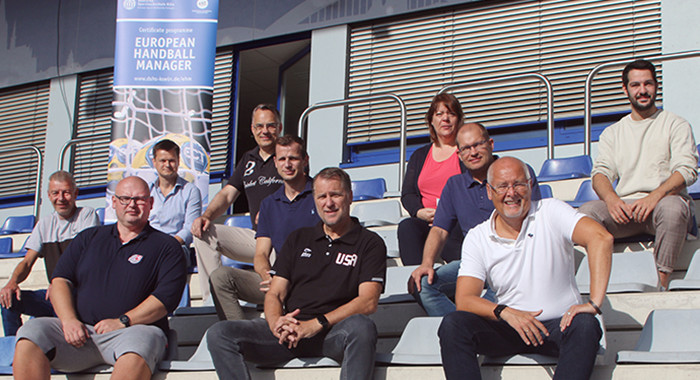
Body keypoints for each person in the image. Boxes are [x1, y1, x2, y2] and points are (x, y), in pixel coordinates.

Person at [438, 157, 613, 380]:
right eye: (502, 186)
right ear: (490, 192)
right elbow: (465, 299)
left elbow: (601, 238)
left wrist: (594, 303)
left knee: (586, 325)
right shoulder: (477, 236)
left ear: (530, 186)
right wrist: (505, 312)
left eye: (518, 184)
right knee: (453, 325)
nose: (511, 193)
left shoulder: (550, 210)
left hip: (560, 325)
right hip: (509, 327)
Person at [206, 167, 386, 380]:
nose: (329, 203)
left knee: (362, 328)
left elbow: (368, 301)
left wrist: (314, 325)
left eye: (335, 195)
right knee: (220, 333)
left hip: (332, 332)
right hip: (289, 334)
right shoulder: (298, 239)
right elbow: (275, 293)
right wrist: (276, 324)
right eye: (322, 196)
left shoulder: (370, 243)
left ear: (349, 197)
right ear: (315, 200)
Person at [12, 176, 187, 379]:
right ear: (114, 202)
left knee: (142, 341)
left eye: (139, 199)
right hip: (80, 335)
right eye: (124, 198)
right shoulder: (88, 238)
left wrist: (123, 321)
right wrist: (68, 321)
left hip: (134, 331)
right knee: (31, 332)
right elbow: (60, 280)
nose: (132, 204)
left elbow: (165, 299)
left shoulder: (167, 247)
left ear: (150, 203)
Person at [578, 59, 698, 289]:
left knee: (672, 208)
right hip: (627, 209)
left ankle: (660, 282)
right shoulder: (613, 132)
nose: (642, 90)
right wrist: (612, 200)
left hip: (663, 204)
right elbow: (600, 174)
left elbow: (687, 170)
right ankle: (600, 279)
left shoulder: (675, 124)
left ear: (656, 86)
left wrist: (655, 196)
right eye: (635, 85)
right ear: (626, 89)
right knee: (586, 213)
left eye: (648, 84)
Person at [408, 123, 541, 316]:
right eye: (466, 148)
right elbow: (439, 229)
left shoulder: (516, 172)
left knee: (481, 309)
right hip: (474, 263)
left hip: (513, 261)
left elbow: (536, 219)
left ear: (491, 144)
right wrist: (427, 263)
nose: (473, 152)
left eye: (478, 145)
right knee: (422, 284)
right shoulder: (454, 185)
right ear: (459, 155)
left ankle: (471, 327)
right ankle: (460, 327)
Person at [209, 135, 320, 320]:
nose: (287, 164)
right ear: (275, 162)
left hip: (311, 281)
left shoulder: (320, 196)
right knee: (221, 278)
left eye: (293, 158)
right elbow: (260, 254)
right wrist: (268, 275)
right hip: (278, 281)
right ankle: (240, 338)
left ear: (305, 161)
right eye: (282, 159)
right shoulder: (269, 204)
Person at [192, 104, 284, 301]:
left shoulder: (287, 156)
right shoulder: (248, 159)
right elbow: (227, 195)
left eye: (270, 126)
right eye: (259, 126)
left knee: (281, 249)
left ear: (280, 128)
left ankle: (277, 300)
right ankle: (214, 301)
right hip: (255, 238)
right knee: (203, 232)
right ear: (252, 129)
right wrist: (206, 216)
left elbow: (299, 191)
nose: (264, 131)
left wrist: (273, 210)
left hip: (281, 238)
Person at [0, 171, 99, 336]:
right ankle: (15, 349)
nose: (60, 198)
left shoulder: (86, 215)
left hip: (78, 293)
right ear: (48, 195)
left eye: (66, 192)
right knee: (8, 300)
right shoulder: (45, 223)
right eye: (55, 193)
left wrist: (60, 282)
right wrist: (12, 282)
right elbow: (27, 262)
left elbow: (85, 258)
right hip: (52, 294)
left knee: (60, 302)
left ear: (75, 194)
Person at [399, 93, 466, 265]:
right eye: (439, 114)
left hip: (456, 220)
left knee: (452, 234)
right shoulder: (420, 155)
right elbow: (408, 193)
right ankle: (418, 284)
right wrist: (419, 211)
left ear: (458, 119)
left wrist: (448, 215)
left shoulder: (466, 153)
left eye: (451, 113)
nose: (445, 119)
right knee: (407, 227)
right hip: (427, 220)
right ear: (431, 121)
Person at [148, 139, 202, 250]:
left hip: (176, 248)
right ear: (154, 162)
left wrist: (168, 246)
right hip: (148, 247)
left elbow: (189, 228)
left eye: (171, 160)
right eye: (162, 160)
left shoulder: (191, 191)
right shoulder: (146, 190)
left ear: (178, 161)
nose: (167, 165)